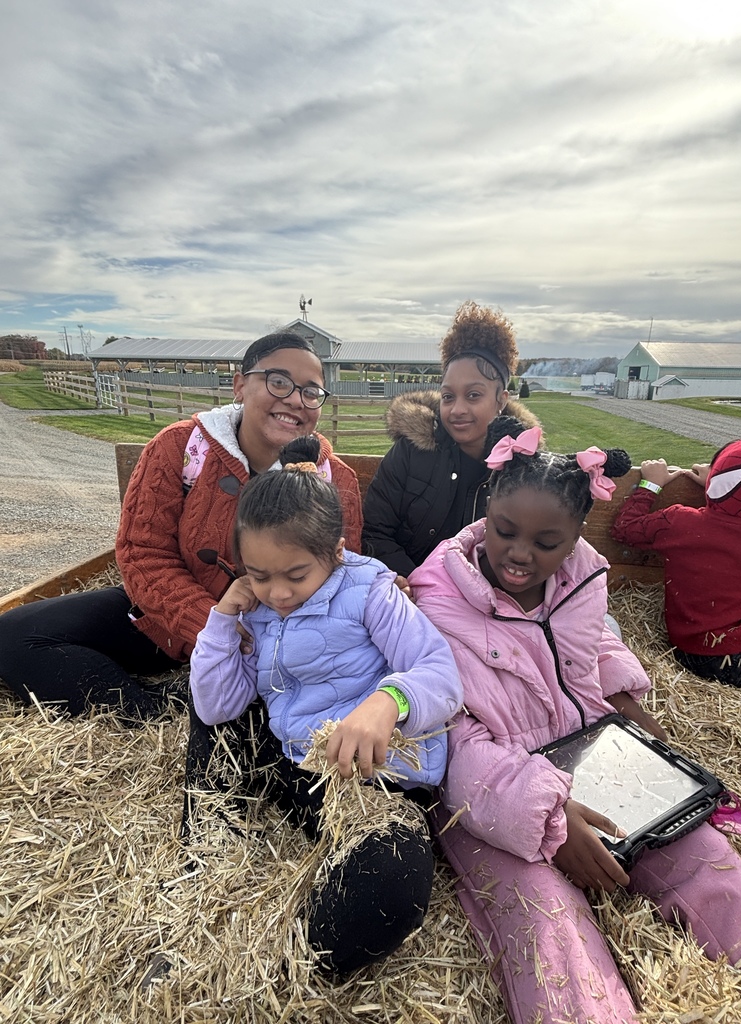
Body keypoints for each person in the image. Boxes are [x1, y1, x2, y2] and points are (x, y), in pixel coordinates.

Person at [409, 423, 741, 1024]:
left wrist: (632, 716)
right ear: (485, 512)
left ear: (576, 536)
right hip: (496, 790)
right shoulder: (437, 604)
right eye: (505, 532)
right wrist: (550, 817)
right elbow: (453, 742)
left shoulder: (583, 576)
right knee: (552, 938)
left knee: (715, 873)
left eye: (547, 541)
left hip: (598, 754)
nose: (521, 554)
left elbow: (592, 642)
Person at [186, 435, 463, 975]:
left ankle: (289, 965)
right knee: (208, 721)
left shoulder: (369, 592)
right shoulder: (256, 611)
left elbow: (442, 673)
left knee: (395, 882)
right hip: (294, 766)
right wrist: (223, 621)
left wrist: (387, 703)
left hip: (367, 783)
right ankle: (207, 852)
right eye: (259, 575)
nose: (280, 594)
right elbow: (217, 706)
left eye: (295, 576)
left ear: (335, 552)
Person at [0, 332, 363, 722]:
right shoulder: (181, 448)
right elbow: (142, 552)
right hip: (172, 619)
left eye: (312, 392)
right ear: (240, 385)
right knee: (15, 636)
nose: (295, 399)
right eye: (278, 382)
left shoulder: (333, 479)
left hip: (272, 641)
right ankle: (151, 710)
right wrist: (210, 624)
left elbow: (340, 578)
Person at [362, 300, 540, 576]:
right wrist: (418, 587)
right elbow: (376, 533)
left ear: (501, 400)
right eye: (448, 396)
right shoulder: (410, 452)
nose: (457, 409)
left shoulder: (524, 469)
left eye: (473, 395)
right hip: (411, 595)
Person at [611, 437, 741, 687]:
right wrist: (726, 488)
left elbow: (624, 529)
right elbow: (740, 517)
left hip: (690, 649)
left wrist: (650, 484)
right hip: (735, 657)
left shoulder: (679, 523)